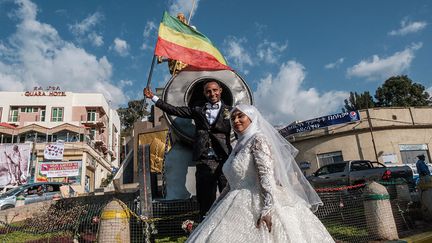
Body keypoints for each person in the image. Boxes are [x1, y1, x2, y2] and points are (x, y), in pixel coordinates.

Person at [186, 104, 334, 242]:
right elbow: (231, 184)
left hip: (258, 199)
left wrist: (268, 208)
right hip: (233, 200)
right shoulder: (237, 146)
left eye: (240, 116)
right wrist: (214, 208)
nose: (236, 120)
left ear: (251, 117)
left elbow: (266, 174)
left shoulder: (258, 139)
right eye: (232, 118)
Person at [143, 80, 232, 219]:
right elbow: (175, 110)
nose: (212, 93)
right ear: (204, 93)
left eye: (215, 90)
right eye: (208, 91)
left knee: (229, 195)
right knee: (205, 200)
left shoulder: (231, 111)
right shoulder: (197, 109)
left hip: (224, 158)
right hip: (204, 159)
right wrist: (153, 98)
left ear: (220, 90)